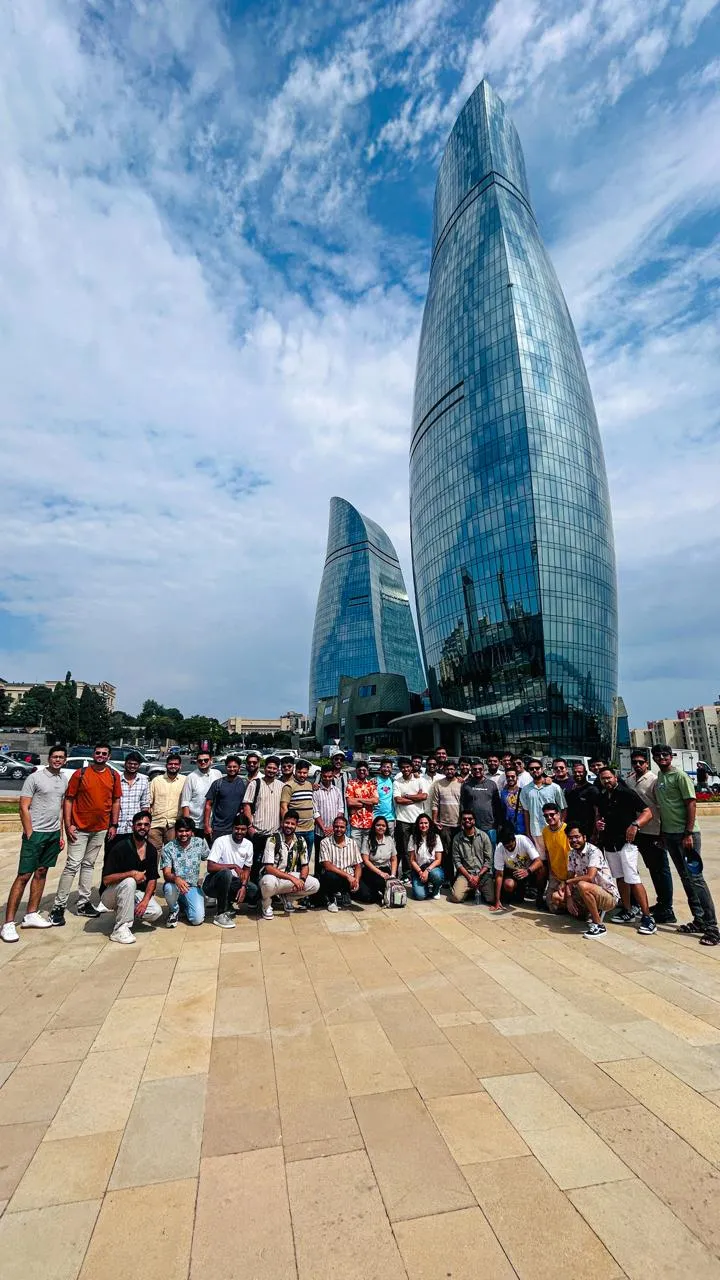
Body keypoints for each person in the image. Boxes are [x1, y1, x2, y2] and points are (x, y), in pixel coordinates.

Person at [652, 745, 719, 946]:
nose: (662, 758)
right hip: (670, 836)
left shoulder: (680, 776)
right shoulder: (660, 778)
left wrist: (688, 832)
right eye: (658, 755)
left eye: (665, 755)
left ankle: (712, 927)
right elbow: (663, 808)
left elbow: (691, 803)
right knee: (685, 878)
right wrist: (663, 833)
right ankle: (698, 920)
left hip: (686, 835)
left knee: (696, 879)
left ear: (670, 757)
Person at [49, 742, 122, 925]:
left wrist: (113, 824)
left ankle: (83, 902)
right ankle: (58, 906)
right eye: (98, 753)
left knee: (89, 865)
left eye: (104, 754)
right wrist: (68, 824)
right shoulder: (80, 774)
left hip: (100, 828)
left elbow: (115, 801)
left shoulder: (113, 775)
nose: (101, 756)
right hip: (79, 828)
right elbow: (69, 800)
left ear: (109, 757)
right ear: (93, 754)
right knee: (72, 865)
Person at [1, 745, 68, 942]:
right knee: (24, 875)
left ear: (65, 760)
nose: (57, 760)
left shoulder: (63, 779)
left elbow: (61, 808)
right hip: (36, 833)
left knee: (42, 872)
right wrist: (29, 833)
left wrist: (61, 833)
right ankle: (8, 923)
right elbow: (24, 806)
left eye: (61, 757)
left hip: (53, 833)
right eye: (55, 757)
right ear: (49, 758)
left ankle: (31, 913)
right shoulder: (35, 778)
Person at [595, 766, 656, 934]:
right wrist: (599, 824)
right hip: (610, 843)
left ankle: (647, 916)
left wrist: (635, 825)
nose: (606, 781)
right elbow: (600, 816)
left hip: (626, 843)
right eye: (603, 779)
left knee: (633, 878)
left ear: (615, 777)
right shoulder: (602, 796)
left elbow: (647, 812)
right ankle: (628, 910)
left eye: (609, 777)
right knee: (620, 878)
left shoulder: (626, 793)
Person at [100, 811, 163, 944]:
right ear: (132, 826)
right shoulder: (120, 847)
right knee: (129, 882)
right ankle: (120, 929)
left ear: (150, 827)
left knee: (155, 912)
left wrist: (145, 901)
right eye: (139, 824)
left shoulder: (151, 849)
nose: (142, 827)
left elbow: (152, 878)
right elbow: (106, 879)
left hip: (135, 894)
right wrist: (131, 873)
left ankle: (124, 912)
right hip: (111, 894)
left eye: (146, 825)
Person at [627, 752, 675, 923]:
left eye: (641, 762)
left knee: (660, 870)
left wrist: (663, 833)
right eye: (635, 762)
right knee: (645, 869)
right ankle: (657, 903)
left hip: (653, 831)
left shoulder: (654, 780)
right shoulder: (630, 780)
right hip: (637, 831)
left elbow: (662, 806)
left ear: (646, 763)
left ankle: (667, 908)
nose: (638, 765)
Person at [562, 823, 620, 939]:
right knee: (556, 897)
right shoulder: (572, 854)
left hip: (608, 895)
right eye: (571, 838)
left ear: (584, 837)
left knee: (582, 885)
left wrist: (570, 881)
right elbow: (568, 877)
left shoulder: (594, 851)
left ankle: (599, 925)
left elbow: (590, 877)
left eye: (577, 837)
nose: (574, 840)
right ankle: (587, 913)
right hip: (588, 891)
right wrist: (568, 898)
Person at [259, 810, 319, 919]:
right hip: (274, 877)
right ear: (282, 823)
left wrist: (302, 881)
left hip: (289, 879)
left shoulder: (300, 841)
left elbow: (305, 866)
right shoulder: (273, 839)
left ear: (296, 826)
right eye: (287, 823)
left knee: (315, 884)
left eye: (292, 824)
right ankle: (266, 904)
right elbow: (268, 868)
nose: (289, 826)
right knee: (268, 882)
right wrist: (293, 879)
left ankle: (288, 898)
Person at [204, 813, 259, 927]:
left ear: (247, 830)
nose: (239, 832)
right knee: (226, 873)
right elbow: (210, 866)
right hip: (214, 883)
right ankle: (221, 913)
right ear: (232, 827)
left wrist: (243, 886)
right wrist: (233, 866)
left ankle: (228, 903)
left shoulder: (248, 844)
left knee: (253, 890)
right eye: (237, 828)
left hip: (234, 882)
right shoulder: (221, 841)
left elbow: (247, 869)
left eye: (243, 829)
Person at [161, 817, 207, 927]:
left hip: (192, 887)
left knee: (197, 920)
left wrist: (205, 881)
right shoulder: (168, 848)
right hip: (175, 885)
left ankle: (184, 905)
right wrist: (176, 879)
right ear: (176, 832)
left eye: (187, 831)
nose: (184, 834)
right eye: (181, 831)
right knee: (168, 887)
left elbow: (210, 860)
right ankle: (174, 910)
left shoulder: (199, 843)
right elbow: (166, 874)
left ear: (192, 832)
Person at [243, 756, 283, 879]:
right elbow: (246, 805)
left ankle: (269, 892)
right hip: (257, 833)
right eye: (269, 767)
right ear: (264, 768)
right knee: (254, 865)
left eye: (274, 768)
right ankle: (254, 893)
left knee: (272, 865)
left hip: (274, 834)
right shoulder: (255, 784)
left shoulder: (282, 786)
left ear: (278, 770)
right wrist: (249, 826)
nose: (271, 770)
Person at [491, 825, 546, 910]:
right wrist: (497, 901)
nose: (509, 848)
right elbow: (499, 875)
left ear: (514, 839)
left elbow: (538, 861)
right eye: (506, 847)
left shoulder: (523, 840)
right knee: (508, 884)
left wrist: (527, 871)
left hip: (528, 871)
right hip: (513, 874)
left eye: (511, 845)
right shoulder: (500, 848)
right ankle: (515, 893)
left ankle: (539, 897)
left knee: (541, 869)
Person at [520, 760, 566, 855]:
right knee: (541, 859)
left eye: (537, 768)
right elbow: (526, 812)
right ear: (528, 771)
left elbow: (563, 808)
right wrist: (528, 832)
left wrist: (560, 827)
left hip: (553, 829)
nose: (535, 770)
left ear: (542, 769)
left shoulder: (554, 787)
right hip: (536, 830)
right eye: (532, 769)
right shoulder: (525, 790)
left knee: (557, 856)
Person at [318, 814, 362, 912]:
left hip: (349, 878)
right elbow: (327, 865)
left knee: (366, 895)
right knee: (330, 876)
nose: (339, 829)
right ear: (333, 827)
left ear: (346, 828)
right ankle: (331, 899)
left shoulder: (352, 843)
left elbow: (358, 865)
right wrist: (348, 876)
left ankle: (345, 893)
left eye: (342, 827)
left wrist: (356, 880)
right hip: (335, 876)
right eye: (336, 827)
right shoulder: (325, 842)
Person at [393, 758, 428, 877]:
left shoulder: (420, 780)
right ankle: (407, 874)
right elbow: (398, 800)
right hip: (403, 820)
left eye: (407, 767)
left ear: (411, 767)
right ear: (400, 769)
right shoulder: (397, 782)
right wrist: (415, 798)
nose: (405, 769)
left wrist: (407, 796)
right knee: (405, 849)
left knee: (419, 847)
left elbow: (423, 796)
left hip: (418, 820)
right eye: (403, 767)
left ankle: (419, 872)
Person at [449, 811, 494, 904]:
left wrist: (478, 876)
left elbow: (489, 860)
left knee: (491, 899)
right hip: (466, 875)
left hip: (482, 875)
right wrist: (469, 877)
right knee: (456, 898)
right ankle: (471, 889)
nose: (467, 820)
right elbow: (457, 862)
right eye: (464, 819)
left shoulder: (483, 836)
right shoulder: (457, 839)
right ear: (461, 821)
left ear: (474, 821)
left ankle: (475, 889)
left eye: (470, 819)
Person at [459, 759, 504, 847]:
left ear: (483, 770)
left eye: (480, 769)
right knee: (474, 849)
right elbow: (462, 804)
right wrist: (462, 821)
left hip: (489, 824)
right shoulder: (466, 785)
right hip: (472, 824)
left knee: (491, 849)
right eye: (475, 769)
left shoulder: (492, 784)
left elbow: (497, 805)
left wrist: (499, 823)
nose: (477, 771)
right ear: (471, 771)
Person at [204, 755, 247, 843]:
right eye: (229, 767)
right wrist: (207, 825)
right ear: (226, 767)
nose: (232, 769)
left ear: (239, 768)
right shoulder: (217, 784)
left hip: (236, 828)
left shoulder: (244, 783)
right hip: (218, 827)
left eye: (234, 767)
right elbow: (208, 805)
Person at [279, 759, 316, 861]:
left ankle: (303, 876)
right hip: (296, 830)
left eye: (305, 773)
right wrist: (286, 825)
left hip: (310, 829)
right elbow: (284, 807)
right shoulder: (289, 786)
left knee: (306, 858)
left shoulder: (309, 785)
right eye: (299, 772)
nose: (302, 775)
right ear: (295, 771)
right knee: (294, 859)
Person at [180, 749, 221, 840]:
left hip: (214, 822)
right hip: (196, 824)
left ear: (211, 760)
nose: (203, 762)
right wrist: (188, 828)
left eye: (206, 760)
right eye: (200, 760)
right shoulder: (191, 777)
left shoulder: (217, 774)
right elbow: (185, 803)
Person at [431, 759, 462, 878]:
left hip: (459, 824)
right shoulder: (438, 784)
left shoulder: (461, 783)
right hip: (444, 824)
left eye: (452, 769)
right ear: (444, 770)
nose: (450, 771)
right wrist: (434, 820)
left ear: (455, 770)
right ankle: (448, 878)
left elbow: (463, 803)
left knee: (460, 852)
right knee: (446, 852)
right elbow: (435, 803)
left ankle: (460, 877)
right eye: (447, 769)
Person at [148, 752, 185, 850]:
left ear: (180, 766)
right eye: (170, 764)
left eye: (176, 764)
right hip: (156, 824)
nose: (173, 766)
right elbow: (148, 802)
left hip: (174, 824)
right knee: (153, 854)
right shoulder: (156, 781)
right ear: (166, 765)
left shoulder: (185, 781)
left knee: (172, 854)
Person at [313, 763, 345, 871]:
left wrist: (333, 827)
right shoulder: (316, 792)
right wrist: (324, 828)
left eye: (330, 776)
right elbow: (315, 811)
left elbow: (340, 809)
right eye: (325, 776)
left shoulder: (337, 791)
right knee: (319, 857)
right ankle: (319, 880)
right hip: (319, 832)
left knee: (333, 857)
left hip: (334, 831)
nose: (327, 779)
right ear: (321, 775)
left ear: (332, 776)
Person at [359, 816, 398, 903]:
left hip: (385, 868)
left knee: (388, 884)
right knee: (368, 897)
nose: (381, 827)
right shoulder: (367, 839)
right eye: (378, 825)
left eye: (383, 826)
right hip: (371, 869)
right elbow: (365, 860)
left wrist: (393, 875)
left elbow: (394, 859)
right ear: (374, 826)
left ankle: (384, 895)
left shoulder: (389, 839)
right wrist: (380, 873)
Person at [540, 804, 570, 911]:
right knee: (553, 907)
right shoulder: (545, 831)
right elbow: (548, 853)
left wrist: (569, 880)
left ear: (559, 814)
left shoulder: (568, 829)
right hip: (555, 875)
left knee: (561, 899)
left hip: (570, 876)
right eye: (546, 816)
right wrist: (550, 871)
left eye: (552, 814)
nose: (549, 818)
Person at [408, 814, 444, 900]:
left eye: (426, 823)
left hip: (432, 868)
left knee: (437, 875)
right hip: (419, 869)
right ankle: (425, 887)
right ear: (417, 825)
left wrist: (427, 871)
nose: (423, 825)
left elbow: (438, 860)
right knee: (420, 896)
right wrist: (420, 872)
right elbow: (412, 860)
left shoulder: (436, 837)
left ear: (429, 824)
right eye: (421, 823)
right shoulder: (413, 838)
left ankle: (436, 889)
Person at [345, 762, 379, 855]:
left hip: (369, 823)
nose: (362, 772)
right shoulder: (351, 784)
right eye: (360, 770)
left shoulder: (371, 785)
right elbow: (350, 802)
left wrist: (358, 800)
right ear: (356, 771)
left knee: (366, 852)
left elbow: (375, 801)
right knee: (355, 851)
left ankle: (364, 869)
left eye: (364, 770)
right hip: (355, 823)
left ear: (367, 771)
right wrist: (368, 802)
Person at [117, 751, 150, 835]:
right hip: (117, 826)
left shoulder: (144, 780)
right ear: (125, 764)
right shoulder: (116, 779)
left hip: (135, 827)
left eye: (135, 764)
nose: (132, 766)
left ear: (139, 765)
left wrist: (144, 824)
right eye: (130, 763)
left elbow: (145, 804)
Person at [566, 763, 598, 843]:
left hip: (588, 833)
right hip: (574, 833)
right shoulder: (570, 791)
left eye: (580, 772)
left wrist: (595, 833)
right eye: (575, 772)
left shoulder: (592, 790)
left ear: (585, 773)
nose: (577, 774)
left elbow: (597, 812)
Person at [499, 766, 526, 834]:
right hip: (509, 828)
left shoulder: (524, 792)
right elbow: (502, 810)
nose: (510, 778)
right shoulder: (503, 793)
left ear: (517, 777)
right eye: (508, 777)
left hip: (523, 827)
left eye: (513, 776)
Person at [373, 758, 396, 835]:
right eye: (384, 767)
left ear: (391, 769)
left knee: (389, 841)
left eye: (388, 767)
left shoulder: (393, 781)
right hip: (376, 817)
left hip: (390, 818)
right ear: (380, 768)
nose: (386, 769)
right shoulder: (374, 781)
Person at [330, 751, 349, 816]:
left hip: (345, 814)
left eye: (341, 759)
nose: (339, 761)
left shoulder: (348, 776)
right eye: (336, 759)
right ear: (332, 760)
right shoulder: (323, 775)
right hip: (329, 814)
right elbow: (315, 788)